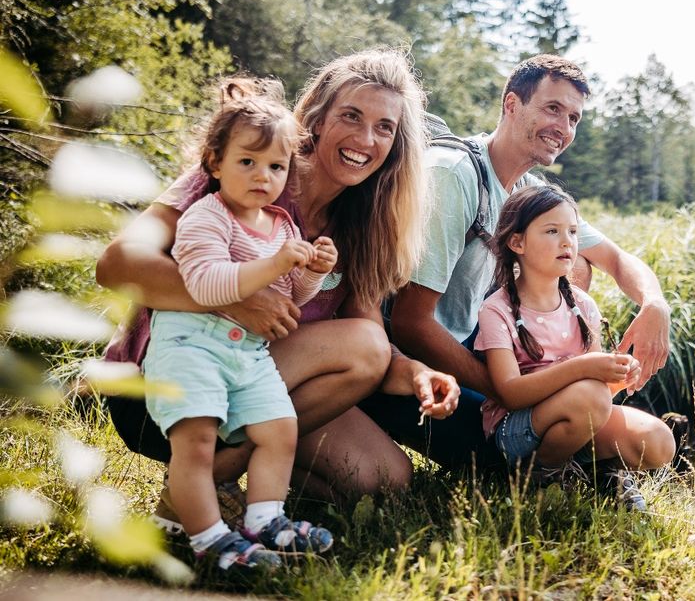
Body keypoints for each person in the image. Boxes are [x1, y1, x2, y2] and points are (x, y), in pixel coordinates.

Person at [96, 51, 459, 551]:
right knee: (364, 346)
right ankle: (197, 490)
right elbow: (116, 264)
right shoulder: (253, 168)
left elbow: (373, 350)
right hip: (166, 382)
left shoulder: (362, 225)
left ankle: (244, 488)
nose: (364, 140)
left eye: (384, 128)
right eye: (351, 116)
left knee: (383, 478)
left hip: (254, 381)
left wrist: (418, 374)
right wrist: (234, 303)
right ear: (315, 119)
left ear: (396, 147)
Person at [377, 55, 673, 490]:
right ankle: (550, 461)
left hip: (492, 359)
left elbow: (613, 258)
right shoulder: (455, 175)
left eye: (573, 117)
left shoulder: (530, 193)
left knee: (649, 441)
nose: (564, 127)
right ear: (511, 104)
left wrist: (655, 304)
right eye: (552, 108)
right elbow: (410, 324)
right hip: (416, 367)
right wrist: (515, 392)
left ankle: (576, 444)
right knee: (505, 456)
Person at [143, 81, 336, 568]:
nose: (262, 176)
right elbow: (207, 286)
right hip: (191, 348)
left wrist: (313, 272)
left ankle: (265, 519)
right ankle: (209, 539)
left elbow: (288, 298)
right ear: (214, 163)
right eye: (247, 162)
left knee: (279, 427)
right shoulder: (204, 217)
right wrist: (275, 266)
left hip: (247, 353)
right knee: (197, 443)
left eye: (275, 166)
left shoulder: (282, 226)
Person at [475, 185, 675, 508]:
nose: (567, 241)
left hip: (578, 418)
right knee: (590, 397)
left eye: (572, 231)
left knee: (660, 442)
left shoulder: (582, 306)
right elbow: (509, 392)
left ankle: (593, 467)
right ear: (517, 242)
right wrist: (584, 368)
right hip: (516, 433)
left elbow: (598, 396)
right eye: (552, 231)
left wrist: (619, 376)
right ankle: (540, 476)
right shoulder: (496, 310)